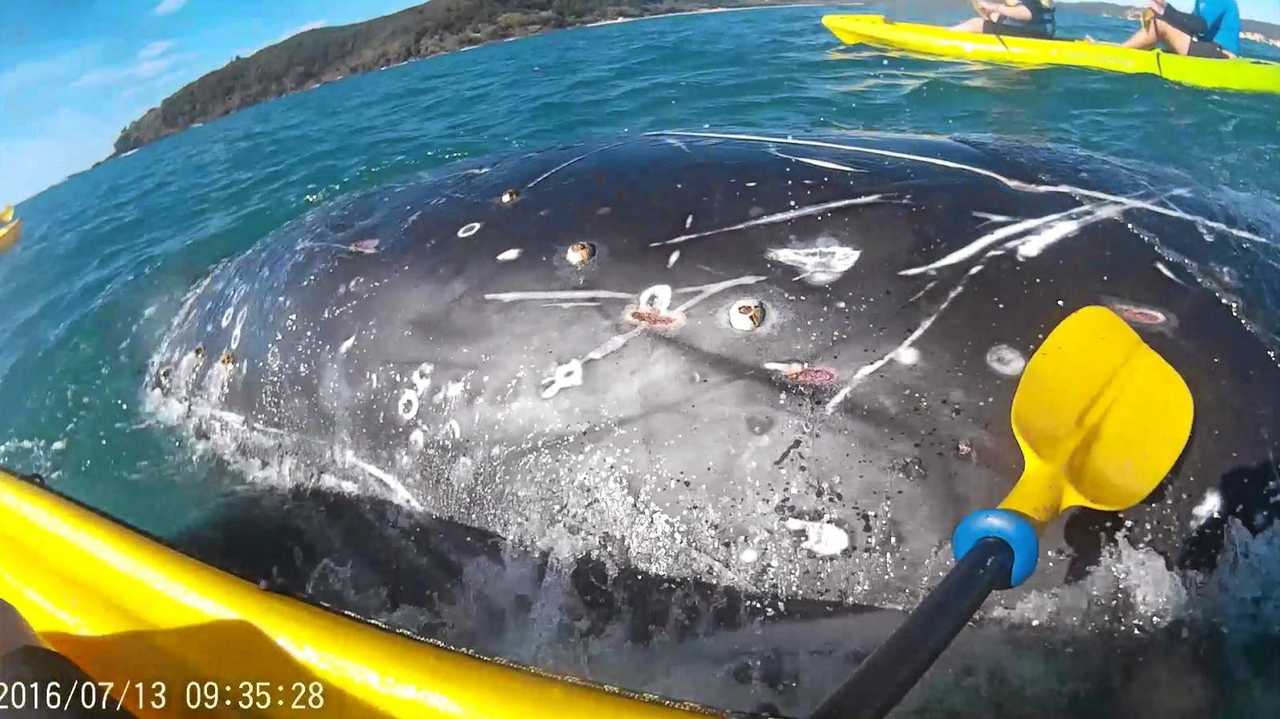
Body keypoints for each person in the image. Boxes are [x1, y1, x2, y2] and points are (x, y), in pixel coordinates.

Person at [1121, 0, 1240, 58]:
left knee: (1160, 24)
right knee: (1158, 21)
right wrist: (1161, 12)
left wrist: (1164, 8)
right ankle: (1125, 51)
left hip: (1224, 54)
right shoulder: (1201, 1)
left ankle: (1120, 53)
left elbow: (1200, 26)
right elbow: (1189, 26)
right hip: (1207, 47)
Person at [952, 0, 1057, 40]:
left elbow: (1028, 14)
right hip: (1042, 32)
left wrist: (994, 7)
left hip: (1033, 32)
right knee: (991, 18)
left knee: (975, 24)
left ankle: (945, 36)